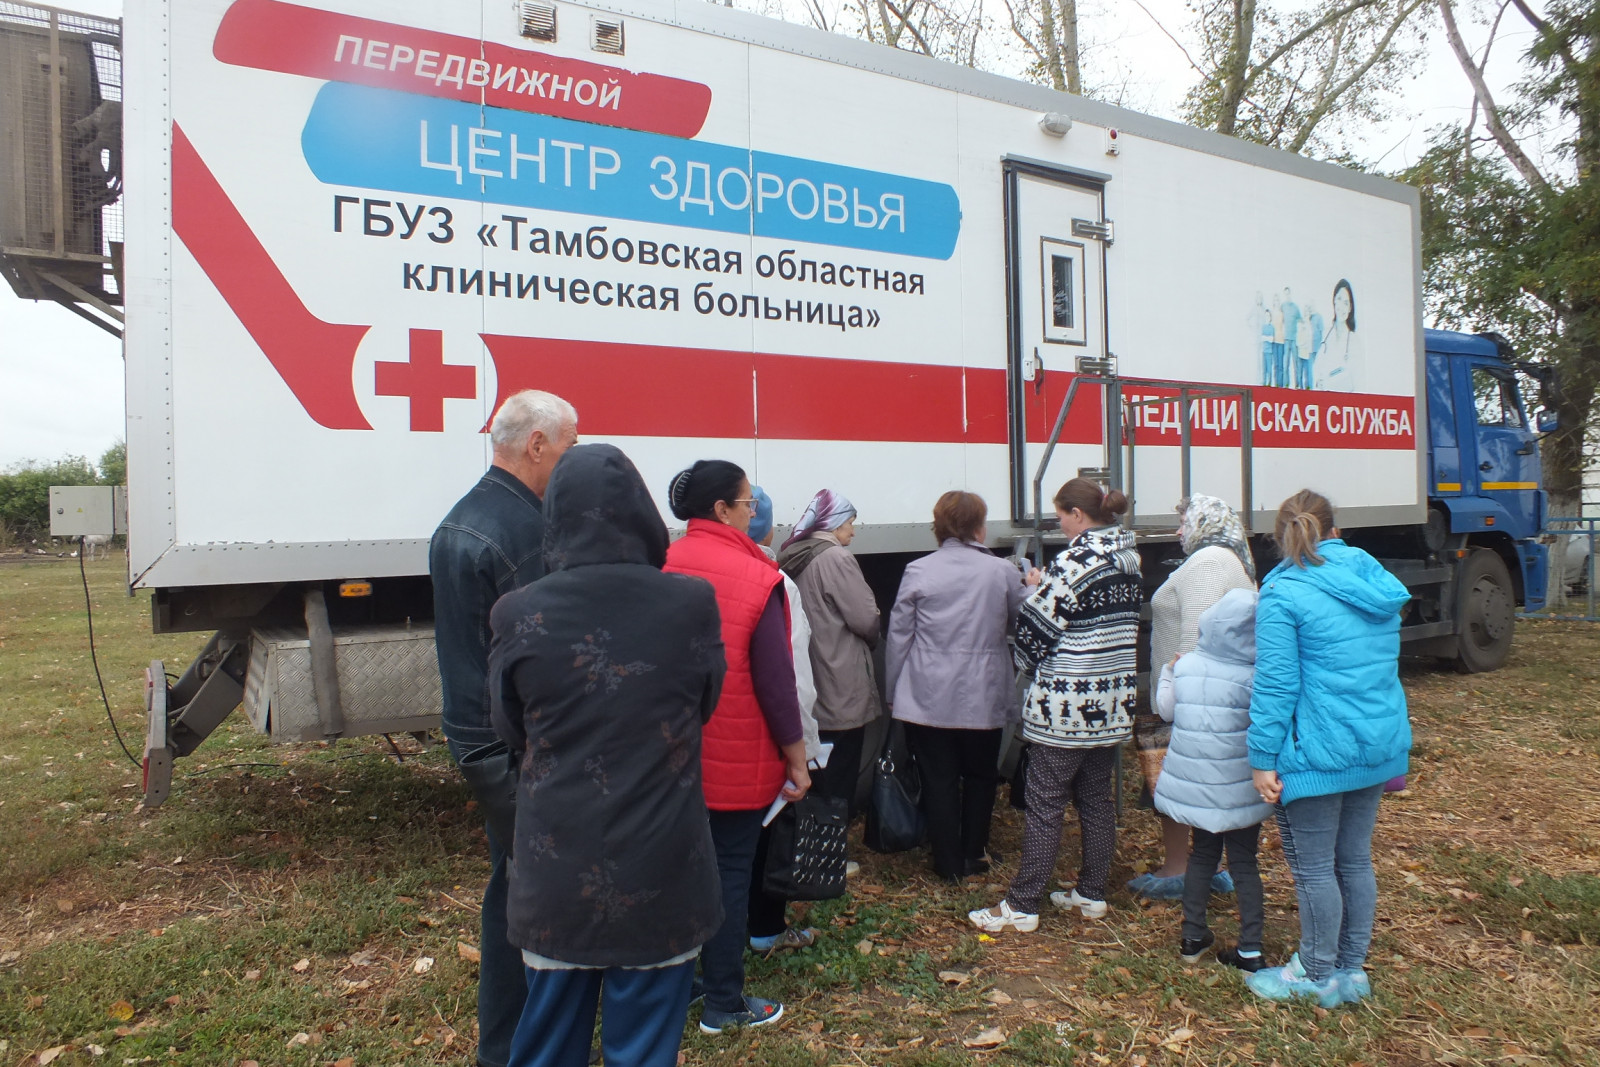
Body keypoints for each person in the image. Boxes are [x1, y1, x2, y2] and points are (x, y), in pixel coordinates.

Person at [487, 444, 725, 1067]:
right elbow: (704, 702)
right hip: (664, 867)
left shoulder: (517, 611)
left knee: (545, 1046)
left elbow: (509, 727)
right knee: (645, 1050)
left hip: (556, 870)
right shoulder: (692, 602)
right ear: (642, 512)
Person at [429, 389, 577, 1067]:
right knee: (532, 911)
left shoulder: (465, 521)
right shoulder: (520, 537)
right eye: (569, 446)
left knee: (511, 900)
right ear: (538, 444)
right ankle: (526, 1046)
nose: (571, 461)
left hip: (500, 757)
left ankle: (511, 1044)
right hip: (527, 763)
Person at [1246, 490, 1411, 1007]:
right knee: (1354, 862)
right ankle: (1350, 970)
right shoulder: (1374, 581)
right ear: (1336, 528)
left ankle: (1315, 973)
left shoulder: (1284, 593)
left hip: (1316, 750)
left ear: (1280, 537)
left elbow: (1275, 686)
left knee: (1316, 868)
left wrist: (1261, 759)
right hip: (1375, 744)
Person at [663, 461, 811, 1033]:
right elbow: (778, 683)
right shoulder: (759, 578)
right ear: (723, 510)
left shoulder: (659, 564)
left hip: (666, 757)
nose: (754, 512)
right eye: (748, 503)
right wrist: (797, 758)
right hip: (736, 756)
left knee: (674, 872)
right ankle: (724, 1003)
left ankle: (683, 986)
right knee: (728, 873)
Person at [969, 479, 1142, 933]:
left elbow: (1036, 633)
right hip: (1110, 702)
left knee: (1045, 804)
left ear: (1078, 515)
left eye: (1061, 515)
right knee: (1096, 800)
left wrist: (1033, 590)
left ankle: (1022, 906)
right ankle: (1091, 894)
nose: (1060, 523)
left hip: (1066, 705)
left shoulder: (1073, 560)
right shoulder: (1130, 561)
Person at [885, 491, 1040, 882]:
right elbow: (1026, 621)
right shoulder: (1000, 571)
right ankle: (975, 853)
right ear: (979, 526)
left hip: (927, 690)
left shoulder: (918, 570)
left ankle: (946, 861)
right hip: (983, 688)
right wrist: (1035, 586)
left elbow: (899, 637)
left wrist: (893, 691)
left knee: (938, 778)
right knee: (981, 774)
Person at [1130, 495, 1257, 901]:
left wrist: (1177, 692)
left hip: (1188, 699)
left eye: (1185, 523)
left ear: (1206, 523)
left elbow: (1195, 637)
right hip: (1208, 696)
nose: (1179, 531)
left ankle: (1178, 870)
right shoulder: (1225, 559)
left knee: (1176, 781)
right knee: (1208, 781)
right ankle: (1210, 867)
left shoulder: (1208, 563)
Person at [1153, 587, 1274, 972]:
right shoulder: (1254, 676)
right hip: (1239, 789)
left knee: (1202, 855)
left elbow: (1166, 711)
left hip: (1198, 789)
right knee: (1244, 863)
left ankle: (1192, 936)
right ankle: (1251, 948)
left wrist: (1167, 672)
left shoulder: (1186, 666)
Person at [744, 485, 824, 955]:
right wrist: (805, 749)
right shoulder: (776, 583)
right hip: (764, 738)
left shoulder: (691, 570)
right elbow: (793, 674)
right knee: (765, 840)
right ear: (769, 527)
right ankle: (765, 929)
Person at [778, 489, 881, 815]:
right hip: (840, 686)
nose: (853, 529)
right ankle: (830, 855)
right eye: (850, 522)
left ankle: (804, 850)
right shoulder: (836, 558)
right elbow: (865, 618)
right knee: (840, 776)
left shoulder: (795, 553)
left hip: (810, 679)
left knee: (814, 773)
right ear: (834, 523)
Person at [1317, 280, 1362, 392]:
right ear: (1334, 300)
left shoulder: (1353, 340)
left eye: (1346, 303)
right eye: (1339, 299)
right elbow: (1316, 371)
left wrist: (1329, 383)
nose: (1342, 306)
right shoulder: (1325, 335)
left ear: (1350, 308)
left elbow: (1356, 382)